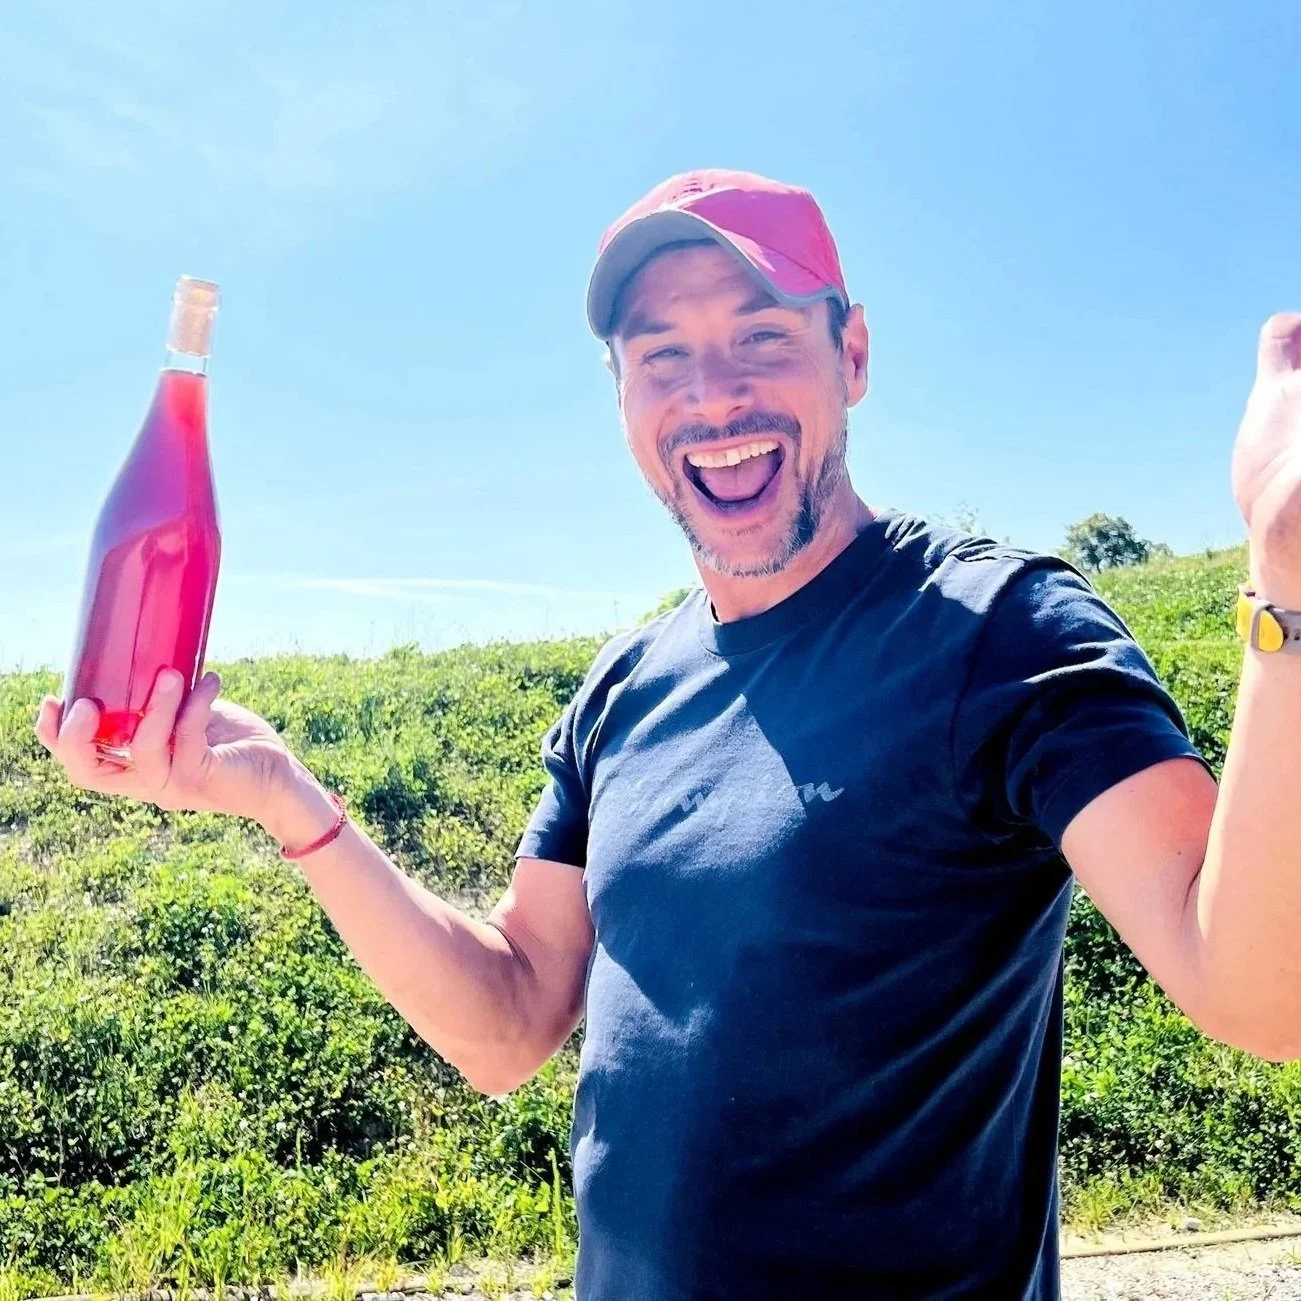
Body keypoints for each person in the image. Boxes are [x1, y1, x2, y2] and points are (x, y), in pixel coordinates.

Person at [37, 168, 1301, 1300]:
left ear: (851, 354)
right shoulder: (625, 686)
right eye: (662, 357)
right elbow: (508, 1019)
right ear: (621, 394)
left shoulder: (996, 628)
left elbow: (1257, 989)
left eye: (760, 337)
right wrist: (282, 796)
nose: (713, 397)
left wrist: (1285, 582)